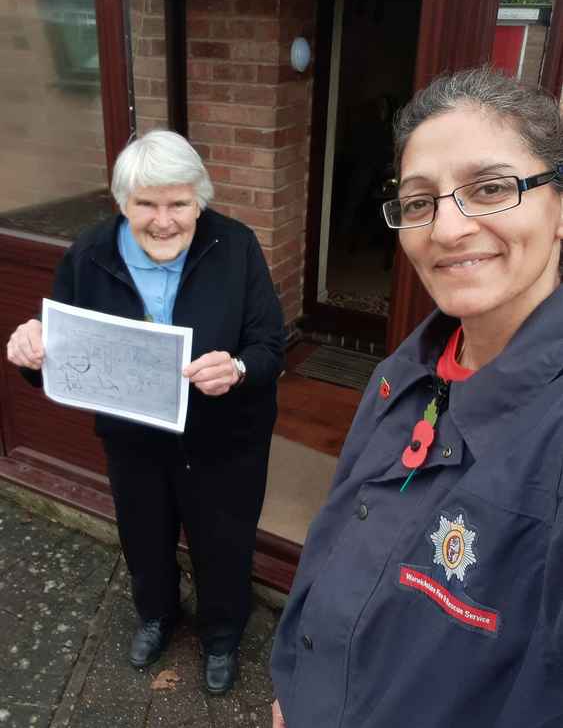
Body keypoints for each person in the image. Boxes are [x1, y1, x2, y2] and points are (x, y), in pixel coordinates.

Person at [270, 66, 563, 727]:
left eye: (489, 188)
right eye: (419, 201)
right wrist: (294, 684)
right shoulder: (405, 370)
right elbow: (335, 541)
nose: (447, 229)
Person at [6, 130, 284, 695]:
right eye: (146, 204)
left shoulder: (235, 245)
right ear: (122, 202)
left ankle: (222, 633)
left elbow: (269, 347)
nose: (163, 221)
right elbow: (60, 357)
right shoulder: (89, 254)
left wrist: (236, 368)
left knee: (223, 540)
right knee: (144, 536)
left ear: (199, 201)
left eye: (178, 203)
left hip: (225, 439)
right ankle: (158, 615)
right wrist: (32, 352)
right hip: (133, 439)